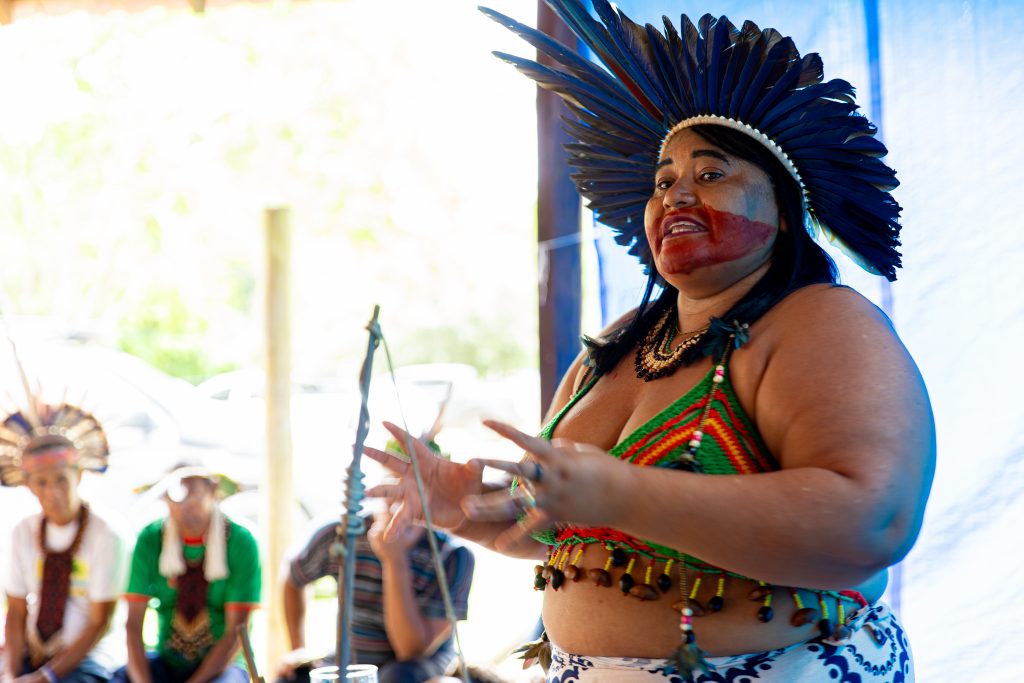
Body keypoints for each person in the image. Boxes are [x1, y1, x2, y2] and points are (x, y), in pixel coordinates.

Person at [365, 2, 935, 681]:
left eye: (711, 173)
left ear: (783, 212)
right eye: (663, 181)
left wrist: (622, 493)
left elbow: (874, 523)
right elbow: (563, 530)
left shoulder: (820, 323)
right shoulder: (615, 346)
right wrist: (469, 509)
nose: (676, 195)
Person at [1, 402, 126, 683]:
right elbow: (17, 610)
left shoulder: (106, 533)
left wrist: (46, 677)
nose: (53, 491)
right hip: (31, 653)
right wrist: (10, 673)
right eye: (41, 482)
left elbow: (98, 623)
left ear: (79, 475)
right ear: (28, 485)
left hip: (90, 659)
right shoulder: (23, 531)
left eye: (61, 479)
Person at [275, 509, 474, 683]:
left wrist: (394, 559)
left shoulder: (453, 555)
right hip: (350, 660)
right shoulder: (342, 531)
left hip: (414, 668)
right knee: (291, 677)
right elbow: (294, 578)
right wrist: (297, 648)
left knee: (396, 677)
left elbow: (410, 650)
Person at [112, 464, 260, 683]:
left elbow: (236, 633)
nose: (186, 507)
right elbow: (133, 624)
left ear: (212, 492)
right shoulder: (151, 539)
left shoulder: (240, 541)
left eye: (195, 497)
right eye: (178, 499)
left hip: (223, 668)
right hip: (166, 662)